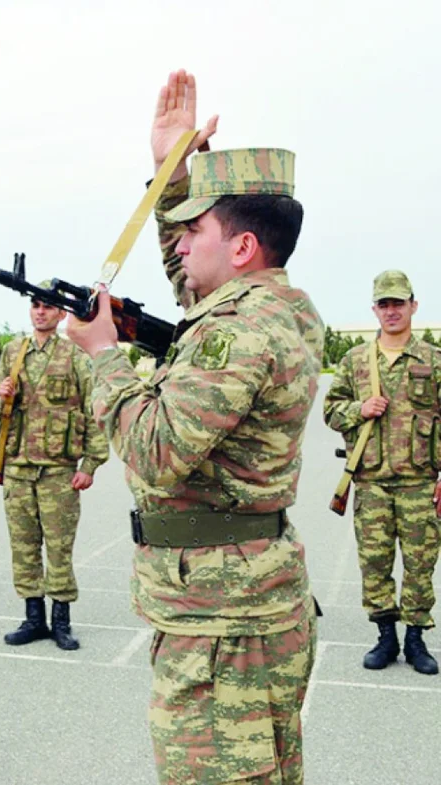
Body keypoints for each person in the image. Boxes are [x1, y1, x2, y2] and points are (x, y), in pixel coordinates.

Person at [66, 70, 323, 784]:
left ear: (241, 248)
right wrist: (168, 175)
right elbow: (192, 285)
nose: (180, 244)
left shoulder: (238, 332)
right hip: (239, 609)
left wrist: (104, 357)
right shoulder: (279, 306)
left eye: (195, 229)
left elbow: (155, 451)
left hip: (224, 626)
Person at [323, 270, 440, 675]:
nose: (391, 311)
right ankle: (385, 636)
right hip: (371, 481)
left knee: (421, 563)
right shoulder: (355, 361)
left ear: (413, 305)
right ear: (374, 309)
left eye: (398, 303)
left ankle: (415, 638)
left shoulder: (433, 360)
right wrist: (360, 409)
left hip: (420, 482)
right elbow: (331, 409)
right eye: (384, 304)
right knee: (374, 562)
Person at [0, 287, 108, 649]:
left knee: (59, 548)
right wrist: (3, 395)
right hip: (19, 469)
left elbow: (95, 411)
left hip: (58, 471)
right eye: (35, 306)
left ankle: (61, 621)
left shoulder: (74, 356)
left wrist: (91, 464)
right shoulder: (13, 352)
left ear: (60, 315)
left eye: (48, 307)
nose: (40, 312)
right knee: (24, 547)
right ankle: (33, 618)